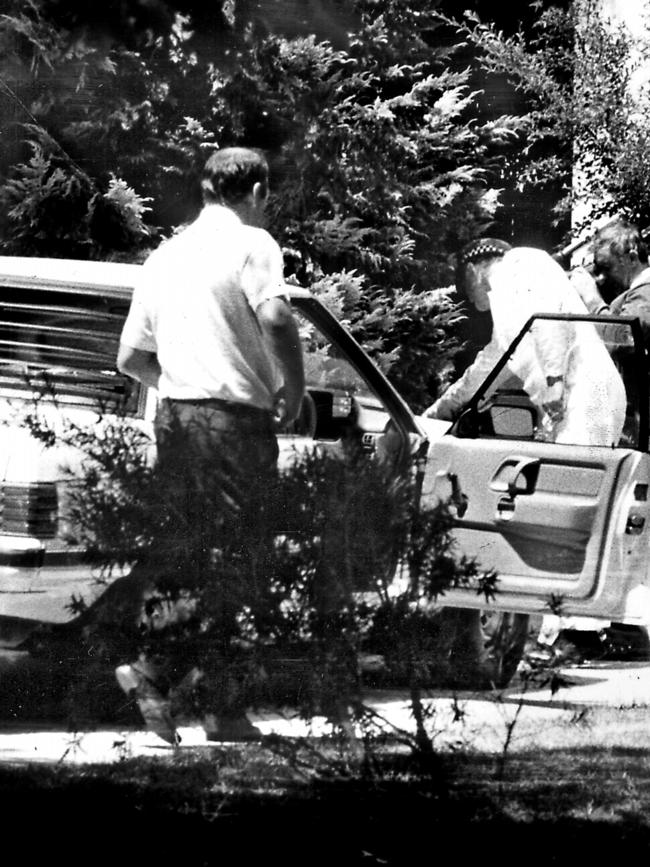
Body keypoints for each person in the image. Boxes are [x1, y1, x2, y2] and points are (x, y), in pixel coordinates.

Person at [115, 146, 306, 742]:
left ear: (204, 191)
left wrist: (181, 387)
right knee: (238, 561)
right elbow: (276, 319)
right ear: (255, 193)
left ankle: (219, 707)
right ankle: (156, 676)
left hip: (175, 421)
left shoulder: (163, 257)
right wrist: (293, 389)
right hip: (232, 426)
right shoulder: (253, 244)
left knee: (193, 554)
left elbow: (129, 358)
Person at [424, 239, 626, 447]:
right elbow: (488, 367)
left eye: (463, 285)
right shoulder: (507, 301)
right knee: (562, 473)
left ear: (471, 270)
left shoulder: (520, 263)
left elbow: (548, 321)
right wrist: (440, 411)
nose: (468, 298)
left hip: (586, 395)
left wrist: (554, 382)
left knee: (571, 474)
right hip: (573, 400)